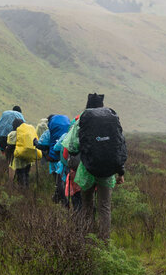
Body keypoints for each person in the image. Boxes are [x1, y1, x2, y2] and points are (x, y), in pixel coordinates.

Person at [63, 93, 126, 242]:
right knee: (105, 207)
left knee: (87, 205)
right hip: (108, 171)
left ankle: (88, 239)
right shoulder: (111, 119)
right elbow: (119, 145)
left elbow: (71, 146)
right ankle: (105, 242)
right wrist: (120, 171)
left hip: (87, 170)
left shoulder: (83, 119)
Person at [35, 113, 72, 204]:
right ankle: (57, 197)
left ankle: (64, 202)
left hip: (54, 160)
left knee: (58, 181)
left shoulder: (49, 132)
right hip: (67, 159)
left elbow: (42, 145)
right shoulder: (69, 131)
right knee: (65, 180)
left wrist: (35, 142)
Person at [8, 117, 41, 188]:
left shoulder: (13, 134)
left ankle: (22, 190)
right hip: (28, 158)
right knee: (26, 174)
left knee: (20, 173)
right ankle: (27, 188)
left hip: (19, 158)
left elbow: (10, 146)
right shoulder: (28, 132)